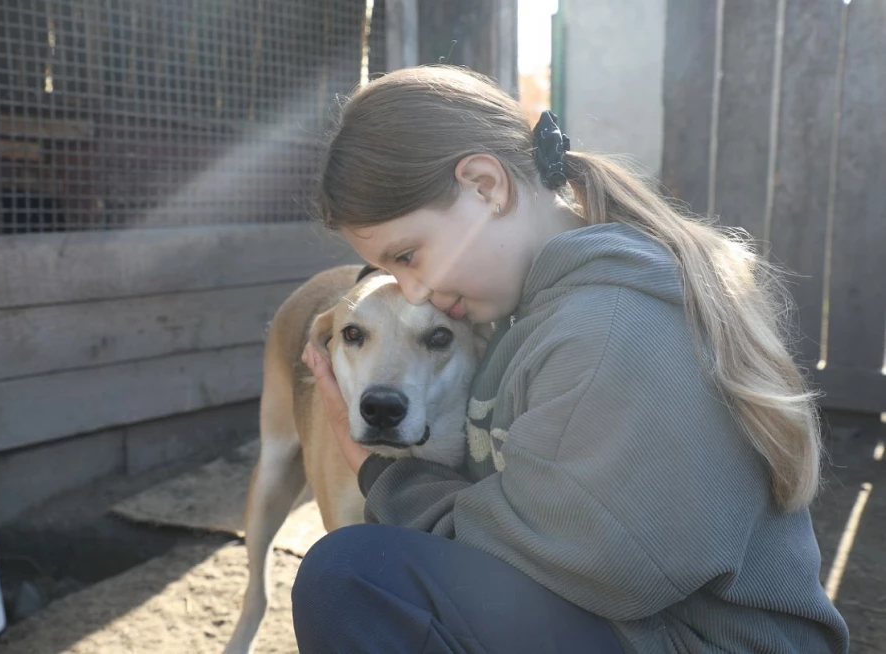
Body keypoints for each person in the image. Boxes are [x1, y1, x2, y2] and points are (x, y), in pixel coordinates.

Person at [294, 65, 849, 653]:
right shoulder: (531, 313)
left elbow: (574, 569)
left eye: (408, 256)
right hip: (643, 626)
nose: (412, 290)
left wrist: (385, 476)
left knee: (354, 580)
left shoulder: (607, 330)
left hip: (696, 641)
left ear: (485, 187)